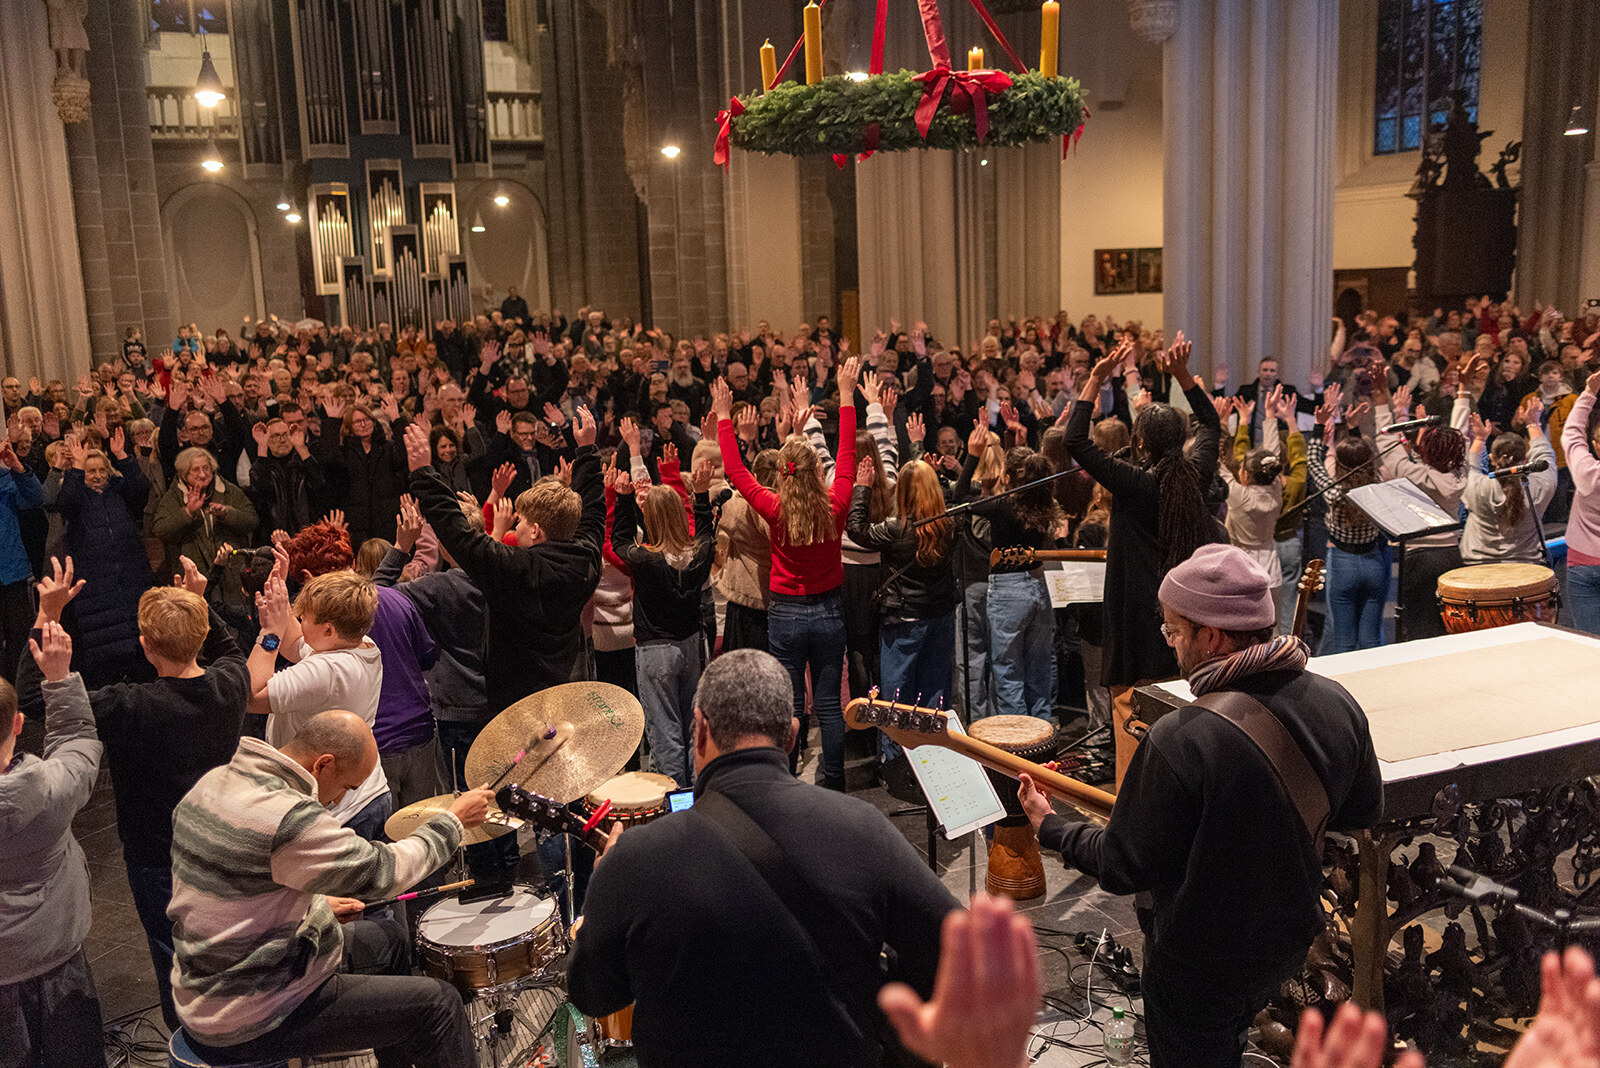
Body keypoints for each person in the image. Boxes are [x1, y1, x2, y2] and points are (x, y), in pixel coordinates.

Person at [1019, 543, 1383, 1068]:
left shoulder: (1180, 737)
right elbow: (1362, 810)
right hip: (1286, 941)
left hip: (1199, 962)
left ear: (1211, 636)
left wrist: (1050, 825)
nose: (1170, 644)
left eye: (1173, 631)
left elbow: (1122, 864)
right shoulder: (1336, 702)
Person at [567, 649, 959, 1066]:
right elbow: (956, 945)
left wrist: (603, 889)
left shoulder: (635, 860)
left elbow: (593, 995)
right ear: (791, 736)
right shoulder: (863, 828)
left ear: (700, 730)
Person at [168, 711, 492, 1067]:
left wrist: (315, 904)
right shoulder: (286, 816)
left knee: (390, 939)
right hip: (249, 1014)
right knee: (440, 1004)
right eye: (348, 787)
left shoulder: (213, 783)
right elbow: (384, 872)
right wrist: (452, 822)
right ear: (323, 764)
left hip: (209, 985)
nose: (338, 801)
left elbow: (235, 887)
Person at [16, 558, 247, 1031]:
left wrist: (47, 615)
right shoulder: (231, 682)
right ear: (202, 633)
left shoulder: (130, 706)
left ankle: (189, 1047)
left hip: (158, 860)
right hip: (225, 846)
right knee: (231, 951)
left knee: (173, 964)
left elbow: (34, 698)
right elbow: (230, 649)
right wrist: (198, 601)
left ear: (145, 646)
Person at [1062, 335, 1226, 786]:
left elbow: (1075, 439)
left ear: (1138, 442)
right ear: (1181, 437)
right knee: (1182, 717)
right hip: (1184, 615)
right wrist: (1182, 375)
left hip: (1136, 617)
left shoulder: (1134, 483)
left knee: (1131, 717)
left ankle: (1132, 813)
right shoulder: (1195, 473)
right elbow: (1212, 424)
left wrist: (1096, 379)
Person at [712, 360, 859, 790]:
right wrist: (846, 394)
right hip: (829, 612)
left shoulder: (775, 508)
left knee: (792, 707)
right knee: (828, 706)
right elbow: (847, 456)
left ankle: (787, 784)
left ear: (782, 475)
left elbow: (736, 471)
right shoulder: (835, 503)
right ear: (817, 472)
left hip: (786, 615)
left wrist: (724, 416)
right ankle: (835, 784)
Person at [403, 410, 604, 712]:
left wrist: (423, 473)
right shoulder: (587, 558)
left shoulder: (517, 568)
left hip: (517, 705)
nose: (516, 525)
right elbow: (594, 513)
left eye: (521, 521)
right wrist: (587, 450)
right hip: (564, 693)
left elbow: (460, 536)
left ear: (535, 531)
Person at [0, 620, 106, 1068]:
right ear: (18, 723)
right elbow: (78, 740)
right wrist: (59, 680)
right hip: (58, 959)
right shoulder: (53, 789)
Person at [249, 566, 392, 838]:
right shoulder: (360, 644)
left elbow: (252, 697)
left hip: (344, 813)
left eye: (305, 616)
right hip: (367, 795)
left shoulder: (329, 669)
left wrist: (269, 633)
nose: (299, 618)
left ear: (328, 630)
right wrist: (281, 601)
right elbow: (297, 644)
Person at [608, 459, 718, 787]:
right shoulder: (698, 554)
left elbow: (618, 542)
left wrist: (622, 500)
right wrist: (700, 496)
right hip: (692, 647)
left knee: (665, 734)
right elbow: (705, 534)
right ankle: (695, 796)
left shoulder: (645, 559)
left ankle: (677, 806)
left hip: (656, 652)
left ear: (650, 519)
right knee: (692, 729)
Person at [847, 458, 956, 764]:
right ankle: (934, 761)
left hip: (904, 620)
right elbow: (952, 499)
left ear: (902, 493)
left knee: (897, 698)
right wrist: (940, 476)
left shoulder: (895, 530)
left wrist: (862, 489)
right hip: (940, 617)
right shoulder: (949, 525)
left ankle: (897, 765)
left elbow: (856, 530)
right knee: (935, 693)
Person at [1461, 398, 1557, 564]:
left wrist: (1480, 439)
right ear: (1525, 458)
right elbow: (1545, 455)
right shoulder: (1541, 485)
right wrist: (1533, 423)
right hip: (1526, 567)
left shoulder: (1478, 487)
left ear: (1492, 459)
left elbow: (1470, 467)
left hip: (1478, 568)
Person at [0, 438, 43, 682]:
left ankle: (19, 695)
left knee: (21, 643)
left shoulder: (7, 478)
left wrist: (18, 468)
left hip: (13, 572)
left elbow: (35, 499)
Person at [1561, 370, 1600, 634]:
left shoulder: (1588, 473)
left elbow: (1571, 435)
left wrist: (1588, 393)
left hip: (1583, 564)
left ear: (1596, 445)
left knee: (1589, 640)